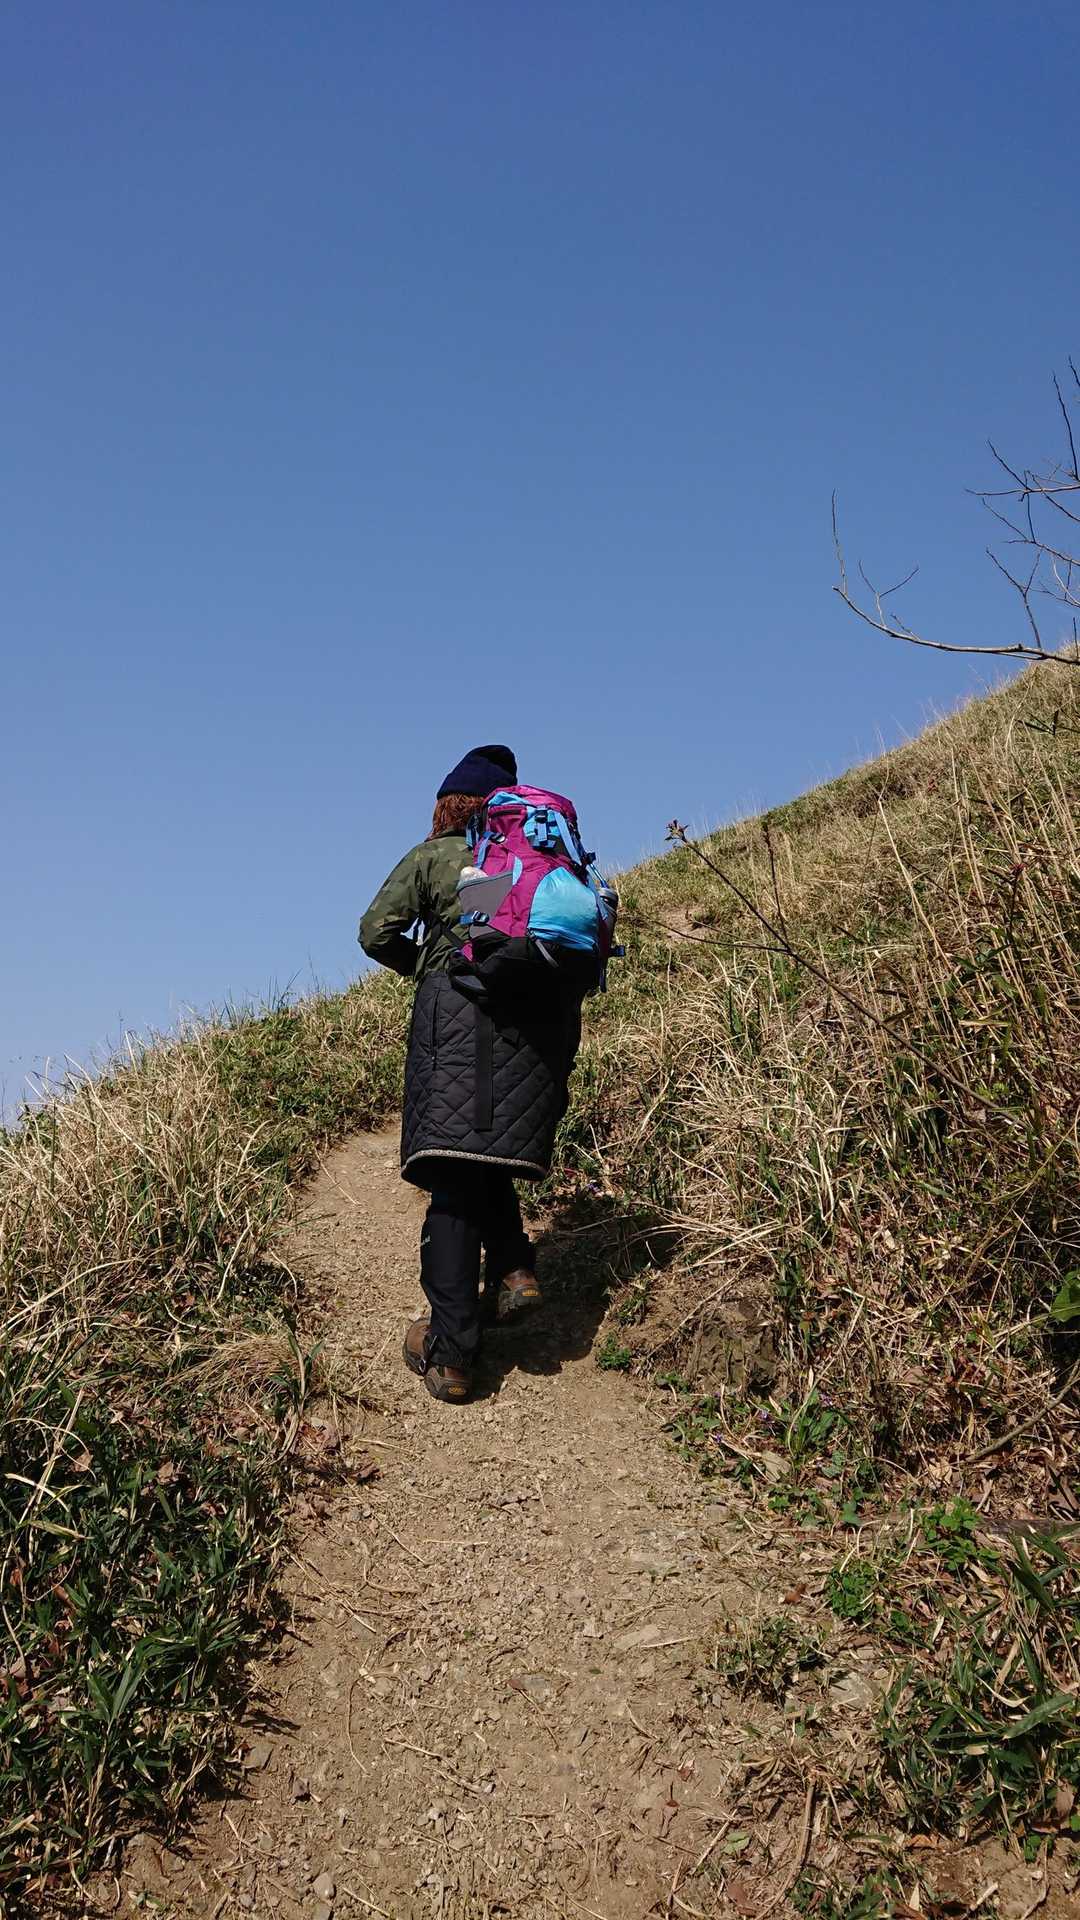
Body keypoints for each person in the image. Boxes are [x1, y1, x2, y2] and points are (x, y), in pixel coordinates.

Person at [359, 745, 582, 1404]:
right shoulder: (535, 865)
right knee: (482, 1157)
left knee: (453, 1182)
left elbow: (375, 932)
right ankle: (513, 1271)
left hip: (461, 1025)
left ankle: (452, 1352)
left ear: (447, 806)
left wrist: (427, 969)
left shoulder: (443, 858)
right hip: (539, 1032)